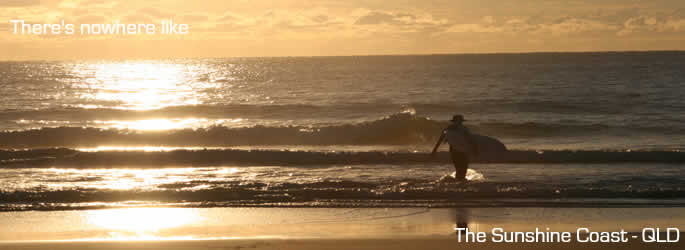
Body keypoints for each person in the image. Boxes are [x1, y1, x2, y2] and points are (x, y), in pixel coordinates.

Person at [431, 114, 479, 181]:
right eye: (460, 121)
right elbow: (470, 140)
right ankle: (460, 182)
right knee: (463, 168)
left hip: (454, 151)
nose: (460, 122)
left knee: (459, 168)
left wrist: (434, 150)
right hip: (462, 152)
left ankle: (458, 182)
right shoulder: (464, 129)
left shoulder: (447, 129)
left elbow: (441, 140)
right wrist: (475, 149)